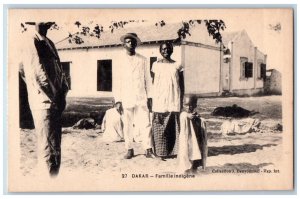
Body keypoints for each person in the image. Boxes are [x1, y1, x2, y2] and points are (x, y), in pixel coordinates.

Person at [21, 22, 69, 177]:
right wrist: (53, 94)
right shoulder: (31, 40)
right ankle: (47, 183)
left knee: (56, 146)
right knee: (47, 147)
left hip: (55, 100)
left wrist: (63, 90)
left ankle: (54, 180)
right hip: (44, 101)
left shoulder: (49, 42)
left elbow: (59, 70)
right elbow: (36, 71)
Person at [114, 33, 154, 159]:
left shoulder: (143, 59)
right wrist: (118, 100)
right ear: (123, 44)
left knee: (146, 123)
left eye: (132, 41)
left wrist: (150, 97)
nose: (130, 43)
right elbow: (117, 81)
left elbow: (148, 79)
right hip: (126, 97)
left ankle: (148, 148)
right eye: (128, 41)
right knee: (127, 124)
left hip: (141, 96)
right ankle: (129, 148)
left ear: (136, 43)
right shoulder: (119, 60)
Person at [151, 41, 184, 159]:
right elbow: (153, 83)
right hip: (159, 98)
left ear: (172, 50)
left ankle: (173, 151)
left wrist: (181, 100)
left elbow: (181, 84)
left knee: (172, 125)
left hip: (173, 97)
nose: (166, 51)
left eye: (168, 49)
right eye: (163, 49)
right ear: (160, 51)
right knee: (159, 125)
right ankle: (161, 151)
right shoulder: (155, 65)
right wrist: (152, 98)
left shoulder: (177, 65)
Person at [177, 95, 208, 173]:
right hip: (186, 139)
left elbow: (200, 121)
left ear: (195, 105)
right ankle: (186, 169)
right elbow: (183, 116)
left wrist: (200, 119)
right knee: (186, 153)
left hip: (195, 139)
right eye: (186, 105)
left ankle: (194, 167)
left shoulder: (195, 115)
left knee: (196, 152)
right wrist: (187, 115)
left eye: (191, 105)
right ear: (183, 104)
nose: (188, 107)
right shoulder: (183, 114)